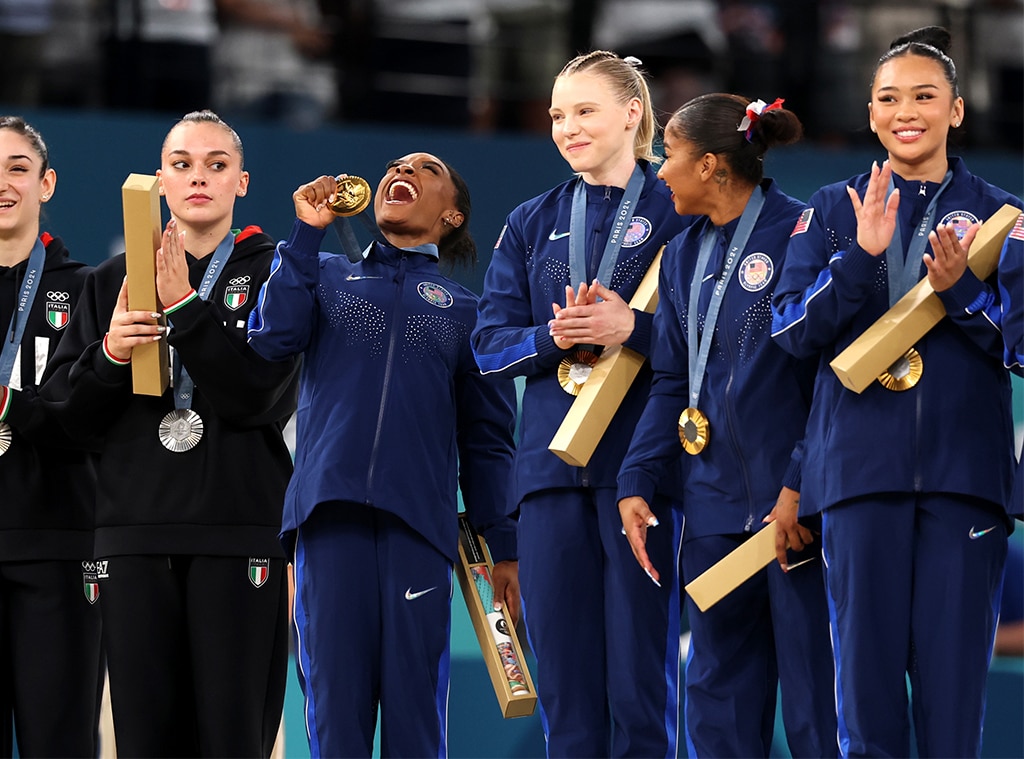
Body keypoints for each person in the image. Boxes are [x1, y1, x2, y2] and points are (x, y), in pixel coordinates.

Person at [770, 26, 1022, 757]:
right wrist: (860, 258)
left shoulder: (1004, 214)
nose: (905, 110)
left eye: (924, 95)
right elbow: (790, 331)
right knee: (867, 706)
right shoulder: (830, 207)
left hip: (963, 481)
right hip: (857, 477)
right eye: (888, 97)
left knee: (952, 714)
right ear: (871, 113)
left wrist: (965, 294)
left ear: (957, 111)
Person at [40, 110, 299, 757]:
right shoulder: (111, 284)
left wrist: (184, 308)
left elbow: (259, 396)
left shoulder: (277, 275)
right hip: (132, 536)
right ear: (159, 180)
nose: (199, 177)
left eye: (217, 164)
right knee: (144, 742)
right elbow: (68, 419)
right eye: (182, 164)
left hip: (237, 529)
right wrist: (110, 356)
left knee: (232, 738)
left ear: (242, 181)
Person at [246, 155, 519, 758]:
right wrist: (306, 230)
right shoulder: (323, 274)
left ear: (452, 213)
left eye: (429, 169)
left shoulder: (471, 313)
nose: (405, 170)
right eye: (397, 165)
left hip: (417, 531)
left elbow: (488, 442)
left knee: (415, 722)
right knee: (334, 719)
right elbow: (271, 337)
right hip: (327, 522)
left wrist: (505, 545)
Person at [471, 50, 690, 757]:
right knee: (565, 689)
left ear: (633, 114)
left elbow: (715, 343)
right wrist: (551, 337)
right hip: (548, 477)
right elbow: (487, 345)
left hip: (644, 473)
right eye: (558, 114)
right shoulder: (530, 220)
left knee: (639, 686)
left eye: (585, 110)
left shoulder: (677, 210)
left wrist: (636, 328)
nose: (567, 126)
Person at [616, 93, 838, 758]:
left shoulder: (805, 232)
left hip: (794, 512)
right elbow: (669, 377)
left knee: (816, 706)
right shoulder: (681, 255)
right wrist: (638, 476)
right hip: (712, 512)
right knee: (715, 708)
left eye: (670, 157)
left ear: (710, 164)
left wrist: (801, 481)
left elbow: (830, 377)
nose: (658, 172)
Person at [0, 116, 102, 756]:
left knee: (59, 743)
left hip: (58, 546)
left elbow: (92, 412)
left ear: (47, 184)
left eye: (17, 168)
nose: (2, 183)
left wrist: (13, 404)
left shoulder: (87, 289)